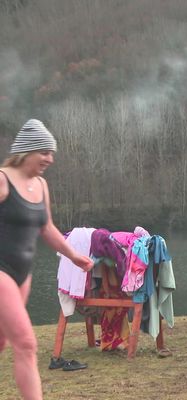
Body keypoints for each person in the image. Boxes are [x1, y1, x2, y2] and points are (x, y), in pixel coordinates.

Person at [0, 119, 94, 399]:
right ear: (27, 151)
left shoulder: (40, 185)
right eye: (44, 152)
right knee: (27, 344)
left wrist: (74, 256)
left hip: (22, 275)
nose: (50, 159)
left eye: (51, 153)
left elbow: (47, 228)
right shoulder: (3, 180)